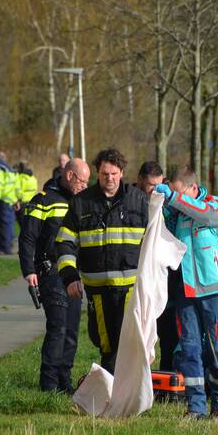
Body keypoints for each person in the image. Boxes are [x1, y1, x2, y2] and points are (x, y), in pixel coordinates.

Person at [55, 148, 149, 374]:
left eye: (114, 174)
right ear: (98, 173)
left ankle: (121, 392)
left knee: (128, 343)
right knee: (104, 343)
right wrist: (69, 277)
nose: (110, 178)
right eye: (105, 174)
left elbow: (154, 243)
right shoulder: (81, 203)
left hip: (130, 289)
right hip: (97, 290)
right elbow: (64, 242)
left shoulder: (139, 202)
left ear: (122, 172)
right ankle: (111, 391)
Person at [154, 166, 218, 419]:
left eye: (179, 193)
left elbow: (206, 216)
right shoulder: (177, 214)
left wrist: (173, 198)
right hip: (187, 294)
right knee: (189, 351)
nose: (175, 198)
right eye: (174, 194)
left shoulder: (214, 205)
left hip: (216, 292)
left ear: (192, 188)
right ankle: (195, 407)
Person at [20, 158, 91, 393]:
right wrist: (29, 271)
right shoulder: (44, 200)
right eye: (82, 181)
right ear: (69, 175)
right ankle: (48, 385)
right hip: (50, 271)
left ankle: (65, 382)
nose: (84, 186)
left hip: (72, 273)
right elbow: (28, 237)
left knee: (71, 330)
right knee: (58, 327)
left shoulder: (82, 203)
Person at [136, 160, 178, 370]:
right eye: (152, 186)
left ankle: (165, 375)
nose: (156, 190)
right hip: (139, 274)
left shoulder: (167, 203)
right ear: (140, 180)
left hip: (165, 277)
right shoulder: (132, 202)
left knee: (168, 333)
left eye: (160, 185)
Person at [0, 151, 19, 255]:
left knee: (4, 225)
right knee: (9, 224)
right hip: (11, 199)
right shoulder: (9, 168)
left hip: (3, 199)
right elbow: (16, 186)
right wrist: (16, 200)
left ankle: (6, 248)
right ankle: (9, 247)